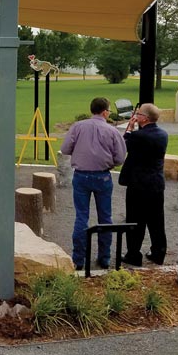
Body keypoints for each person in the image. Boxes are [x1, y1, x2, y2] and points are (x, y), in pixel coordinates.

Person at [60, 97, 126, 269]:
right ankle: (104, 257)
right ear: (105, 112)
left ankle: (78, 259)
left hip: (81, 176)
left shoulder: (78, 127)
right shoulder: (112, 131)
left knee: (81, 217)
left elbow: (66, 149)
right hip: (103, 177)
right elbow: (120, 158)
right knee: (105, 217)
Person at [119, 103, 169, 267]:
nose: (136, 115)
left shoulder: (138, 137)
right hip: (156, 184)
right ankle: (158, 252)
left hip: (138, 185)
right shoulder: (163, 134)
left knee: (135, 221)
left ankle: (134, 254)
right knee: (157, 220)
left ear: (144, 118)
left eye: (138, 114)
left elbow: (124, 144)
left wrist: (130, 127)